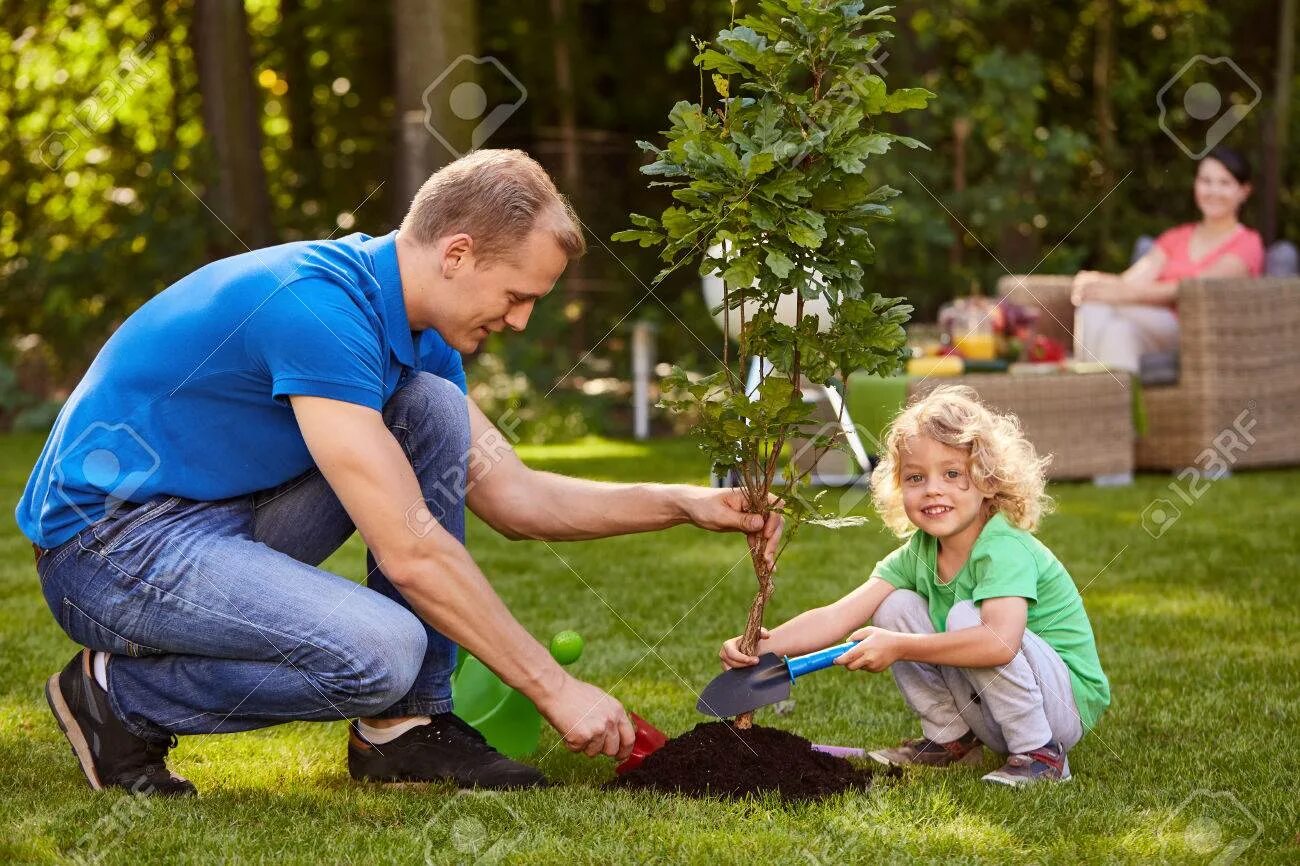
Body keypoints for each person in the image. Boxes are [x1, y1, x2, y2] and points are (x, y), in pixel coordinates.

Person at [20, 149, 782, 797]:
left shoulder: (419, 336)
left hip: (215, 519)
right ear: (456, 254)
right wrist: (555, 688)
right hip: (109, 548)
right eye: (517, 297)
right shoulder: (318, 310)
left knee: (432, 411)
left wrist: (685, 502)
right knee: (381, 650)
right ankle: (119, 698)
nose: (520, 321)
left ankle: (401, 731)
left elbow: (513, 497)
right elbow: (413, 552)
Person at [719, 386, 1110, 786]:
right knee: (894, 606)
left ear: (989, 481)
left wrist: (897, 646)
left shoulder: (1003, 546)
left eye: (952, 473)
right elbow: (839, 615)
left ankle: (1041, 757)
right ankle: (951, 741)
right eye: (915, 477)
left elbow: (999, 643)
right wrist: (761, 647)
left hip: (1060, 709)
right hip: (997, 712)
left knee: (964, 617)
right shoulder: (920, 552)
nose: (932, 489)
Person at [1071, 146, 1264, 373]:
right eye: (1206, 181)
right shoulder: (1175, 237)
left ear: (1244, 191)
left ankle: (1080, 388)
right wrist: (1097, 281)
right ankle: (1117, 406)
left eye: (1224, 183)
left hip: (1198, 332)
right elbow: (1131, 281)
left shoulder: (1247, 243)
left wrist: (1114, 292)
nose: (1213, 190)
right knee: (1118, 332)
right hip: (1152, 326)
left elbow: (1193, 289)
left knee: (1097, 303)